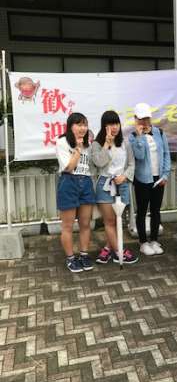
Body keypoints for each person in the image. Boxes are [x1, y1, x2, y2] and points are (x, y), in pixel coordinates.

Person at [92, 110, 138, 264]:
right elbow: (99, 162)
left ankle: (107, 248)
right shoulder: (97, 144)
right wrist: (107, 144)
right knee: (110, 221)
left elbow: (131, 164)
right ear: (104, 126)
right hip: (104, 185)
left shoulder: (125, 143)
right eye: (110, 124)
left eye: (116, 123)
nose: (114, 127)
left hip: (122, 185)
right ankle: (120, 252)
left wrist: (124, 176)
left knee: (118, 220)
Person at [128, 103, 171, 256]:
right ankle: (143, 242)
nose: (144, 122)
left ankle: (154, 240)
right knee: (141, 211)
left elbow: (166, 153)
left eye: (147, 118)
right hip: (142, 179)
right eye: (141, 119)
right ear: (136, 119)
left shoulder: (159, 132)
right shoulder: (133, 137)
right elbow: (139, 156)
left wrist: (165, 175)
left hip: (159, 178)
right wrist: (140, 137)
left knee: (155, 210)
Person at [56, 112, 96, 273]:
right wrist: (78, 149)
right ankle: (71, 258)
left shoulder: (88, 144)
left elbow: (93, 166)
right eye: (79, 124)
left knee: (85, 224)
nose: (82, 128)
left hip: (86, 182)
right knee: (68, 225)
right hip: (69, 182)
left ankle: (84, 255)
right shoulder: (62, 142)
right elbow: (69, 167)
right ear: (70, 126)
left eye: (85, 125)